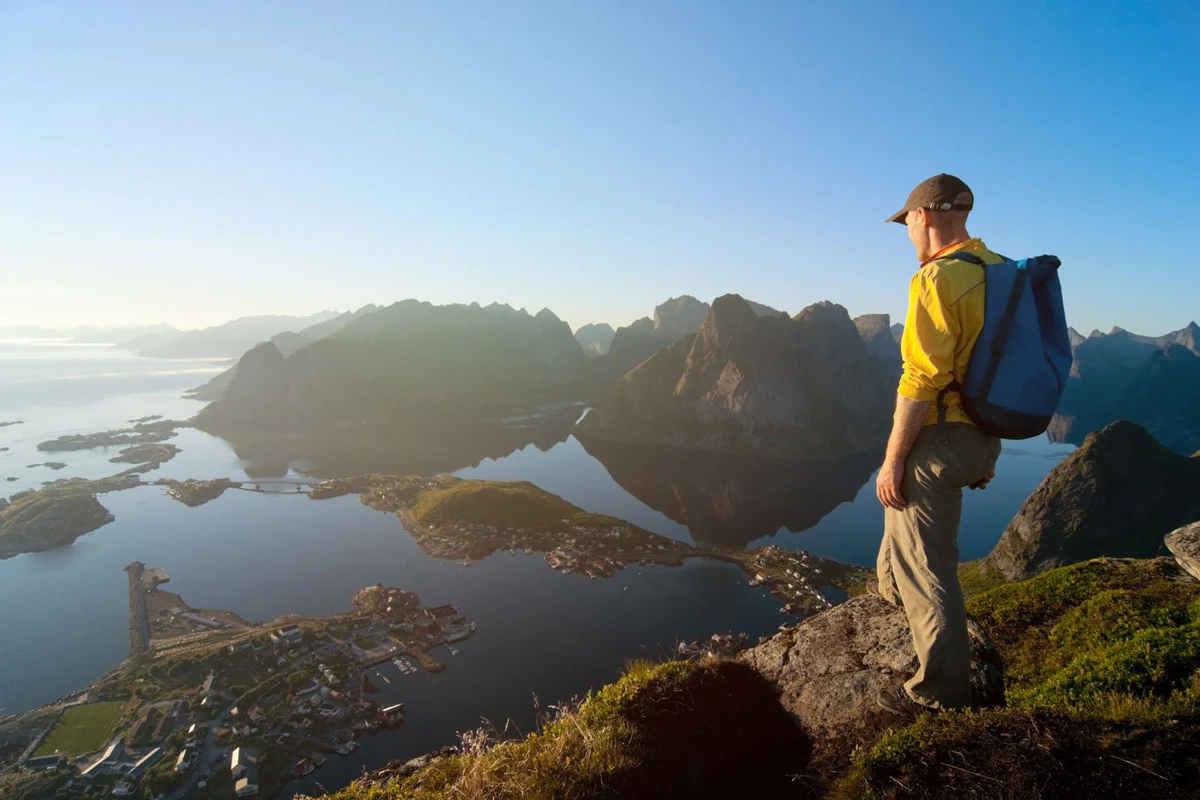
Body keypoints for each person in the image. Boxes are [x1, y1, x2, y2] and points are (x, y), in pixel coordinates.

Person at [874, 173, 1003, 717]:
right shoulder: (1001, 271)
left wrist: (893, 459)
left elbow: (921, 381)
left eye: (907, 223)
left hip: (939, 440)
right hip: (983, 437)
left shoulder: (936, 279)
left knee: (931, 574)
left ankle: (943, 701)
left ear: (923, 216)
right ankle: (896, 612)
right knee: (898, 557)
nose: (907, 233)